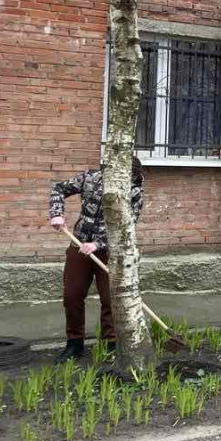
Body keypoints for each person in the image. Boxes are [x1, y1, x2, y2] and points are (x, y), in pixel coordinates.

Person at [48, 156, 145, 363]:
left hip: (113, 251)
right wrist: (56, 214)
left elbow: (127, 226)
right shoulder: (90, 178)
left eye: (128, 177)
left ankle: (110, 344)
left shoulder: (135, 191)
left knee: (110, 299)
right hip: (79, 243)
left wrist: (98, 244)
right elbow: (58, 189)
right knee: (72, 295)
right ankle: (74, 344)